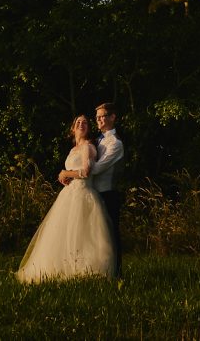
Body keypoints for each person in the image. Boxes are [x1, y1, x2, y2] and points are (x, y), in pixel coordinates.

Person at [15, 115, 116, 283]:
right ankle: (63, 269)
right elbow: (74, 171)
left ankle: (85, 271)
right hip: (69, 194)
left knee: (82, 234)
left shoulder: (88, 147)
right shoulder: (73, 150)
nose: (82, 124)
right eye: (78, 122)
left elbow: (85, 172)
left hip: (84, 194)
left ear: (88, 128)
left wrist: (65, 173)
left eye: (85, 123)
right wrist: (64, 178)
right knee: (64, 233)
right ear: (73, 128)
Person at [62, 102, 124, 277]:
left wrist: (68, 173)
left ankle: (114, 274)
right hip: (90, 193)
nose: (99, 119)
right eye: (97, 117)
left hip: (107, 193)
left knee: (109, 237)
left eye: (103, 116)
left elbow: (94, 170)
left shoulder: (116, 144)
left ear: (112, 117)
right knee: (87, 235)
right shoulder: (97, 140)